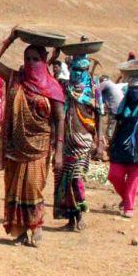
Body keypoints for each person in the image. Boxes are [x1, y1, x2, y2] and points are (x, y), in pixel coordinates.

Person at [0, 29, 65, 247]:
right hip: (15, 146)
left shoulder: (52, 87)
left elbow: (59, 119)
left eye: (35, 59)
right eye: (27, 58)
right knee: (13, 188)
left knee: (33, 186)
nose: (31, 62)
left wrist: (59, 151)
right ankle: (20, 230)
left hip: (39, 146)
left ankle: (36, 224)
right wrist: (10, 39)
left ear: (43, 61)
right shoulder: (16, 79)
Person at [52, 55, 101, 232]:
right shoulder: (65, 87)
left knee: (76, 178)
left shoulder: (93, 88)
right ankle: (70, 218)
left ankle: (80, 215)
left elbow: (99, 114)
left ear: (87, 70)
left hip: (84, 140)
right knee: (63, 180)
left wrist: (99, 141)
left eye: (82, 70)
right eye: (75, 69)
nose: (78, 73)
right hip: (66, 140)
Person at [108, 80, 138, 218]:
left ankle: (129, 206)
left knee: (133, 178)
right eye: (132, 89)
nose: (134, 92)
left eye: (137, 89)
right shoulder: (123, 105)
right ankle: (126, 198)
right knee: (114, 175)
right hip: (120, 145)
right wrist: (111, 141)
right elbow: (117, 123)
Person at [96, 73, 126, 154]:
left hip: (115, 108)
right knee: (115, 127)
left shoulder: (105, 83)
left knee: (110, 128)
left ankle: (110, 148)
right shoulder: (111, 85)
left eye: (100, 81)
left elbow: (97, 91)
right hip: (120, 107)